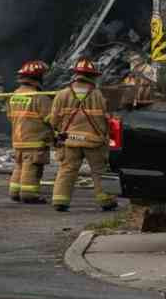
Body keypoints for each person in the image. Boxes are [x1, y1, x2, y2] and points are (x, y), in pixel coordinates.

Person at [48, 57, 118, 212]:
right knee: (100, 171)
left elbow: (53, 120)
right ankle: (106, 201)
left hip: (70, 140)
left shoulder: (62, 95)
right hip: (94, 141)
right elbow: (111, 120)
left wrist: (59, 134)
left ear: (76, 74)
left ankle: (60, 201)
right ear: (93, 76)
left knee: (67, 169)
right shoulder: (100, 95)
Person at [6, 60, 53, 204]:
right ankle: (29, 194)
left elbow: (9, 116)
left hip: (18, 139)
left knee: (19, 166)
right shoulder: (40, 97)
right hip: (35, 140)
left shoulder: (14, 95)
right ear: (38, 78)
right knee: (32, 168)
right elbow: (51, 118)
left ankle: (14, 192)